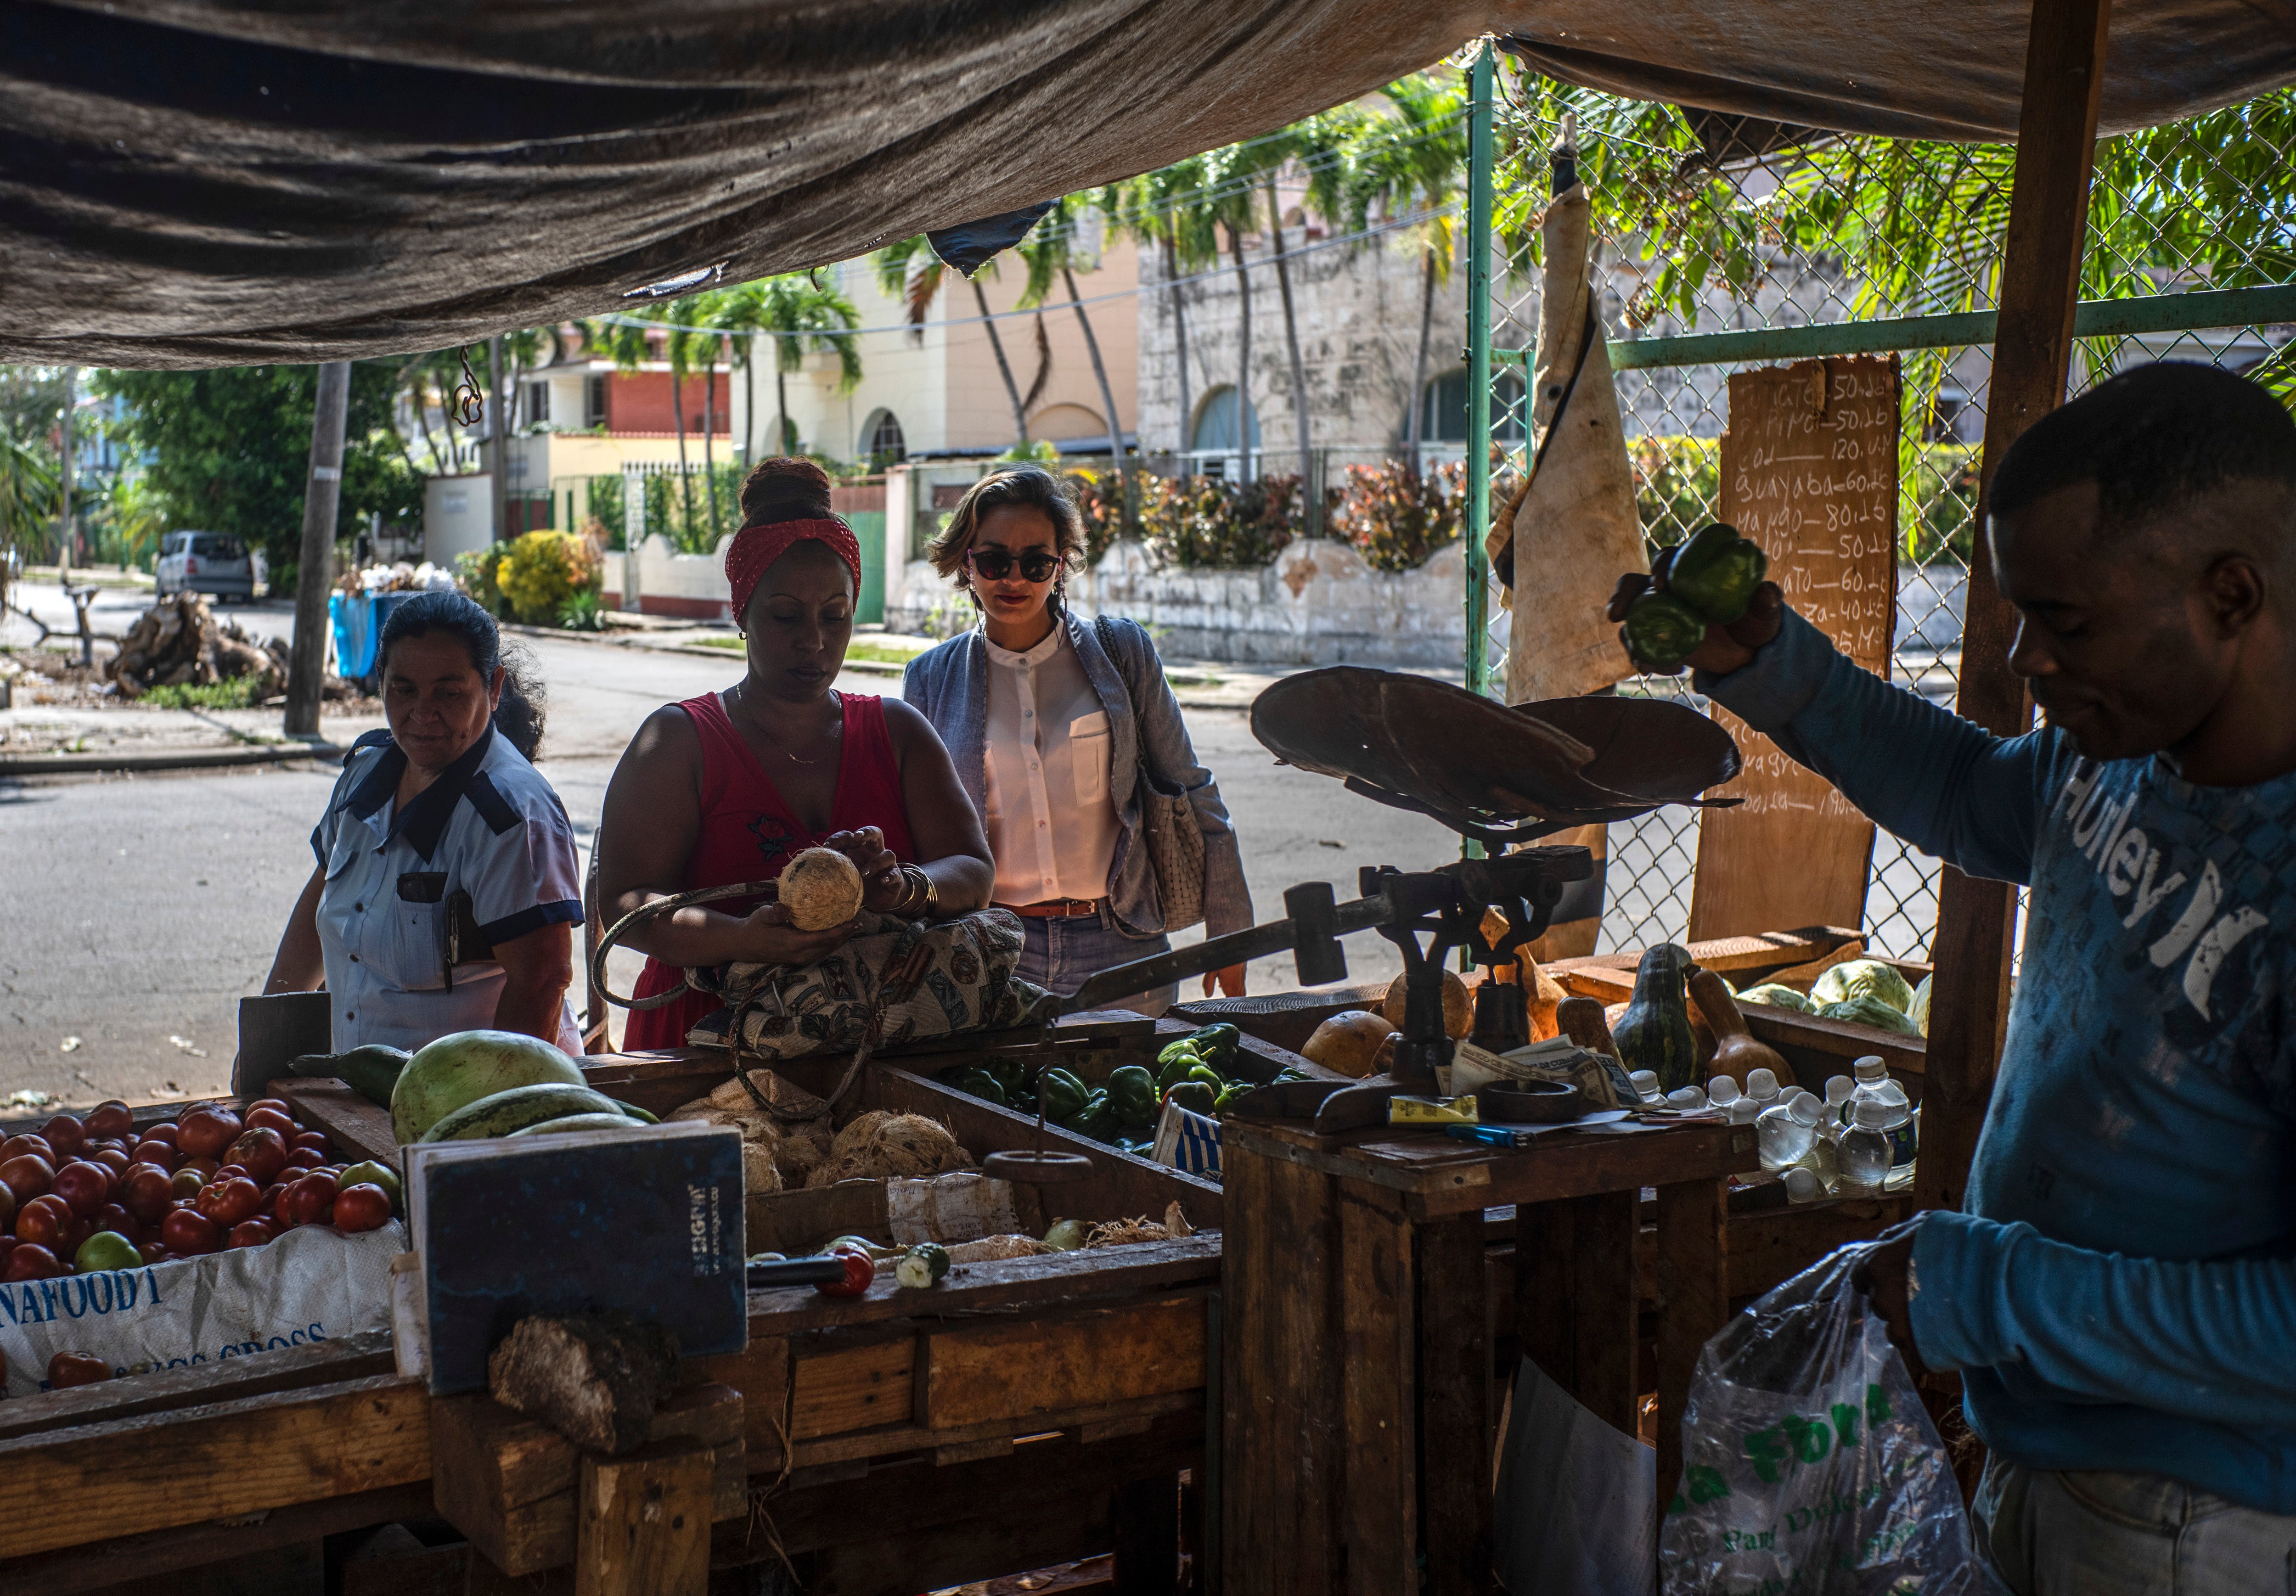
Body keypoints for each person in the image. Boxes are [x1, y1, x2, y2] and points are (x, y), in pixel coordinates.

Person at [1610, 362, 2296, 1592]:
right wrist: (1775, 665)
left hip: (2206, 1515)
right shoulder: (2119, 757)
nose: (2028, 658)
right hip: (2049, 1452)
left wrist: (1986, 1287)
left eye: (2066, 621)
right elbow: (1973, 793)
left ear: (2231, 593)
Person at [599, 457, 994, 1051]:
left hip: (872, 1051)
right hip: (705, 1050)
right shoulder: (679, 742)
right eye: (786, 616)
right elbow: (626, 902)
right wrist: (740, 938)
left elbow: (971, 869)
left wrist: (905, 887)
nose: (813, 641)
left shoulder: (898, 733)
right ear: (743, 612)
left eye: (835, 617)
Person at [902, 467, 1251, 1016]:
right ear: (966, 564)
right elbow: (917, 829)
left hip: (1121, 942)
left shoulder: (1123, 652)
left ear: (1060, 566)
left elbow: (1188, 782)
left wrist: (1231, 924)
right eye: (993, 560)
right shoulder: (929, 678)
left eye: (1036, 562)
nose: (1013, 578)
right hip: (993, 949)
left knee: (1135, 1098)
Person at [264, 591, 584, 1053]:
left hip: (463, 1103)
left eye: (449, 693)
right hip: (360, 1093)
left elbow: (541, 980)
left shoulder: (512, 817)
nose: (422, 712)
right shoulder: (365, 774)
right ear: (382, 683)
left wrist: (485, 1113)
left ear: (493, 688)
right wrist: (270, 1040)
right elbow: (321, 896)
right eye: (404, 689)